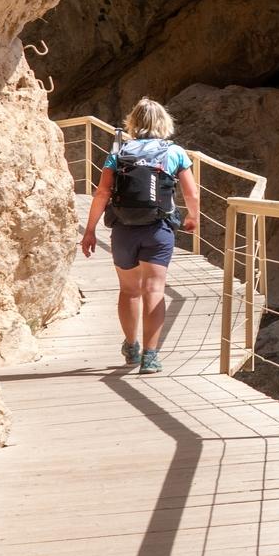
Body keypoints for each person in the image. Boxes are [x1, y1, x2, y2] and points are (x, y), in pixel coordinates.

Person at [81, 98, 198, 374]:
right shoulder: (175, 153)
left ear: (132, 122)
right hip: (158, 229)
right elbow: (192, 193)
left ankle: (131, 346)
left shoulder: (119, 153)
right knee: (154, 290)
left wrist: (89, 231)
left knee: (129, 291)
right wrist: (193, 217)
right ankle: (151, 356)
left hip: (123, 230)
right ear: (164, 122)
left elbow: (102, 193)